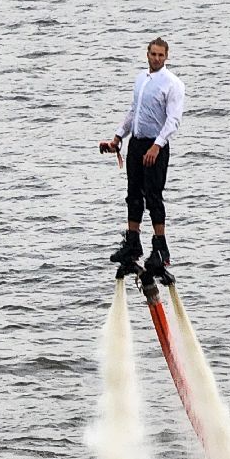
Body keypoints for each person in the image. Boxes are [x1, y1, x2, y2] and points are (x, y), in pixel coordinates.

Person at [99, 37, 185, 281]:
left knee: (154, 196)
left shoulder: (173, 84)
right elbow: (134, 111)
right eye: (153, 54)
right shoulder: (141, 79)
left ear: (166, 57)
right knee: (133, 195)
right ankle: (133, 243)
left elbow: (173, 120)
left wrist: (157, 146)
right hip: (137, 143)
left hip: (155, 145)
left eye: (161, 55)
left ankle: (160, 249)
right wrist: (117, 137)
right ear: (147, 54)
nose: (156, 58)